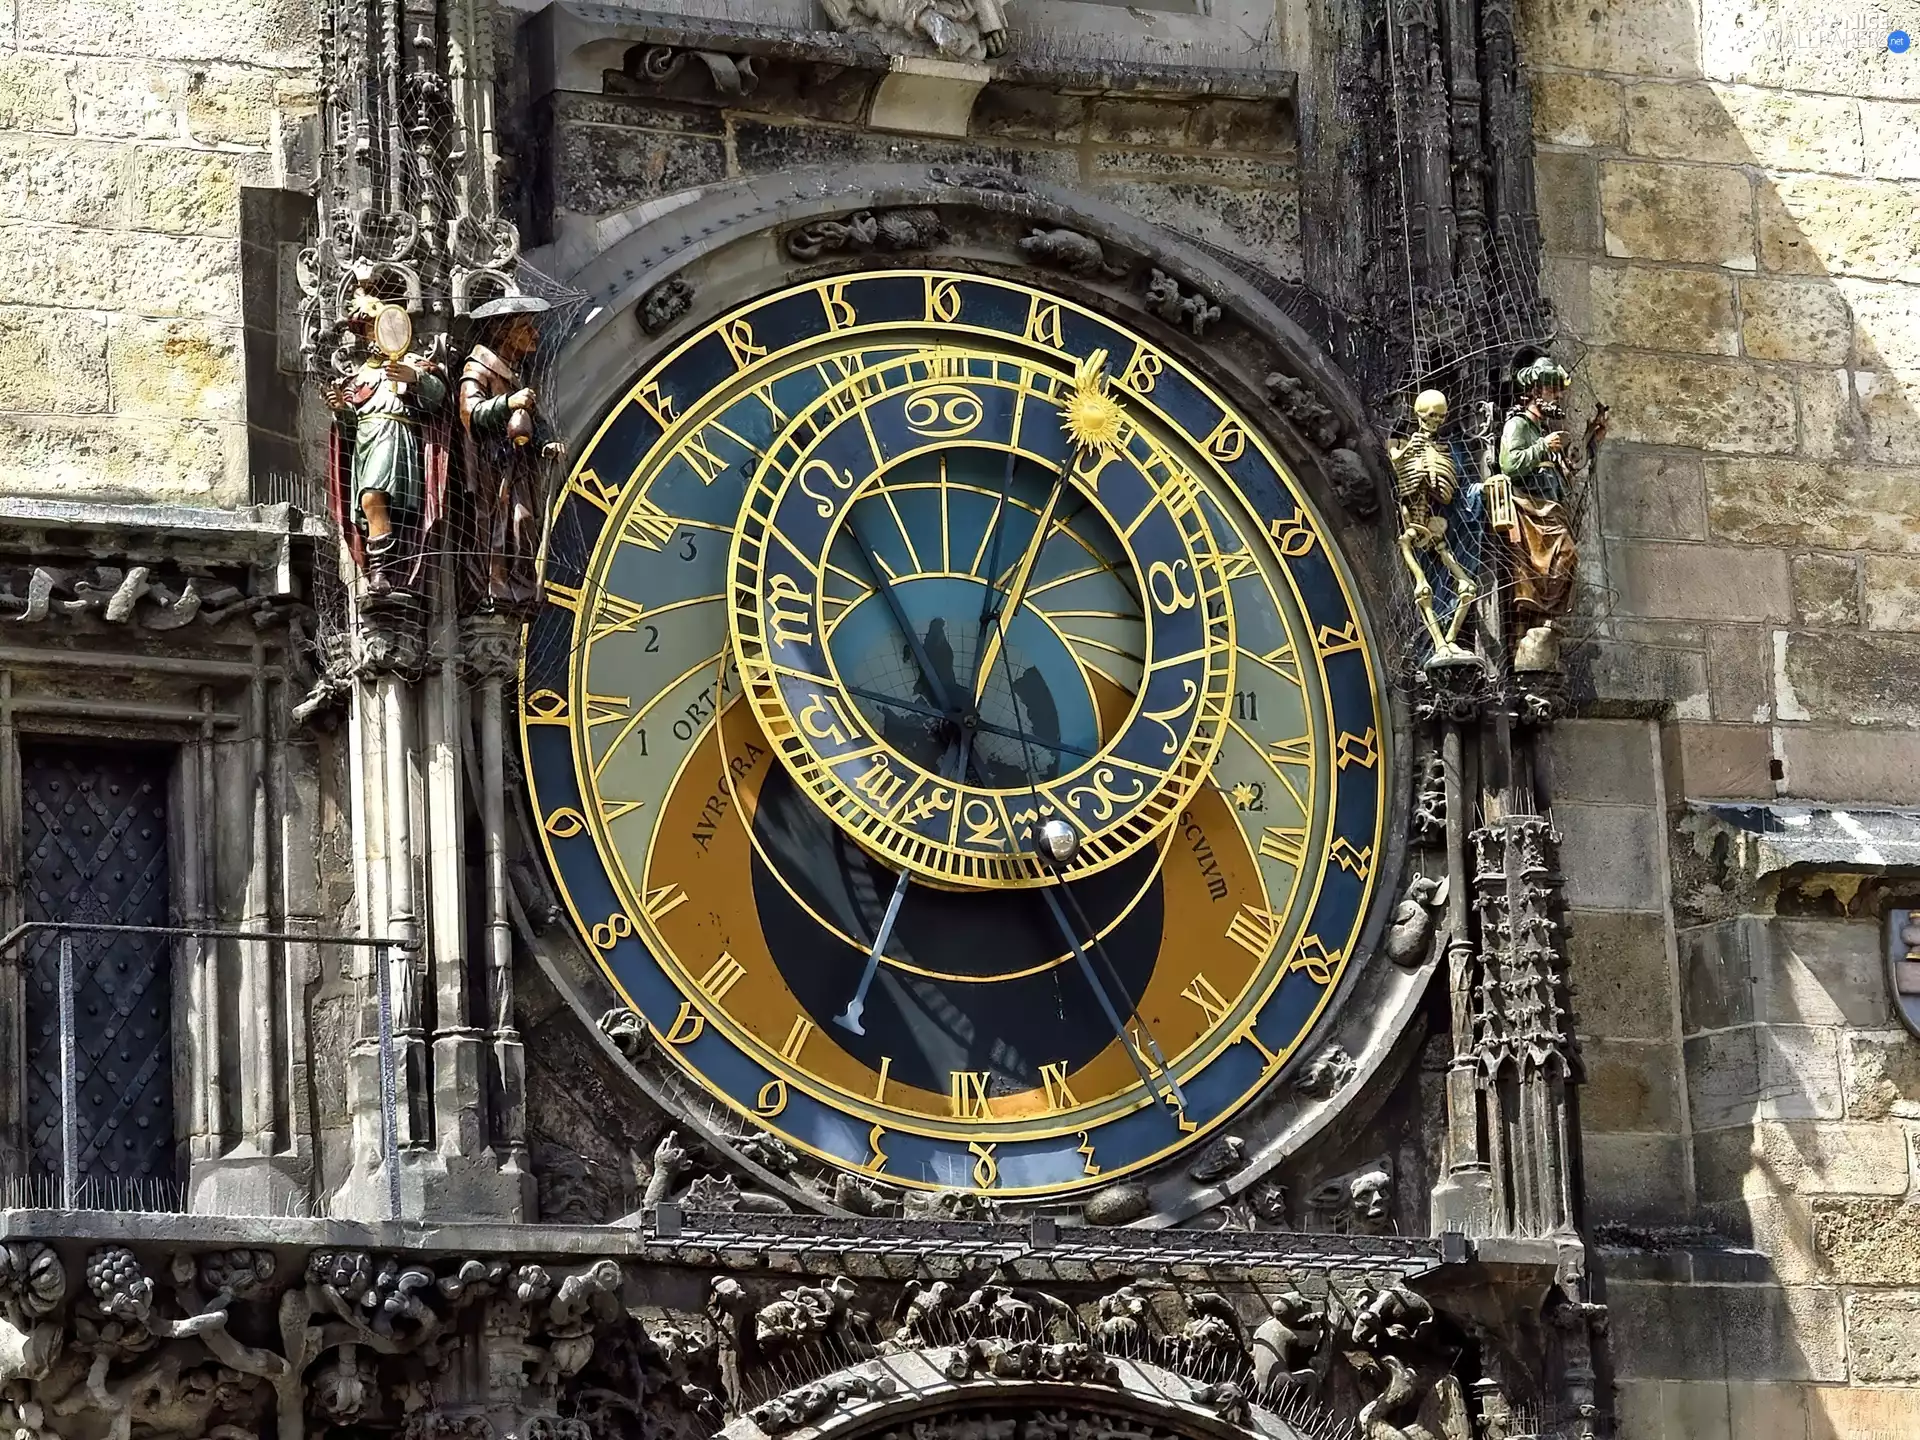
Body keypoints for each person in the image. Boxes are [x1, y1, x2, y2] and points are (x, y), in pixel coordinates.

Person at [325, 286, 450, 600]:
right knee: (370, 506)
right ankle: (380, 569)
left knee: (372, 499)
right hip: (366, 443)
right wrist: (341, 410)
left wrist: (415, 378)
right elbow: (350, 433)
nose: (372, 334)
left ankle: (382, 570)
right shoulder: (360, 376)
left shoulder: (409, 363)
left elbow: (437, 399)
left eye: (376, 325)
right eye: (366, 329)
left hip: (394, 436)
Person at [458, 295, 566, 612]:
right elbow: (470, 412)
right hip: (492, 465)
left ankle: (521, 583)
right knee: (498, 524)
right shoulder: (478, 367)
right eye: (525, 327)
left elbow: (535, 417)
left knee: (524, 522)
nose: (534, 334)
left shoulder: (516, 372)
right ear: (505, 333)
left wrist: (546, 441)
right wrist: (507, 403)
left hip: (518, 464)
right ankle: (497, 583)